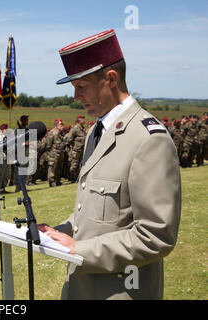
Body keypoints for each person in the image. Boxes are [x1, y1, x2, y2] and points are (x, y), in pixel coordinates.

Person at [38, 29, 181, 300]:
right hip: (82, 287)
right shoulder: (98, 130)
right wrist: (59, 232)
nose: (76, 96)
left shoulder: (148, 139)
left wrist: (78, 250)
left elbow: (155, 235)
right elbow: (98, 216)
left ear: (111, 79)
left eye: (82, 86)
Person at [64, 115, 86, 182]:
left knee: (79, 165)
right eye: (83, 119)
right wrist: (70, 147)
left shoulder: (82, 129)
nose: (84, 120)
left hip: (81, 150)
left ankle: (77, 179)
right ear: (79, 120)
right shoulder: (75, 128)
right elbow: (69, 139)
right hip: (75, 150)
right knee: (74, 165)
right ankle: (72, 179)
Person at [47, 118, 66, 187]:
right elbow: (48, 144)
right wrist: (50, 153)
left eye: (62, 125)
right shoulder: (52, 133)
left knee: (59, 168)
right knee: (52, 168)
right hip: (54, 154)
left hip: (60, 153)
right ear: (56, 125)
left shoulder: (61, 133)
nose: (62, 126)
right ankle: (51, 182)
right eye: (61, 125)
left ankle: (58, 181)